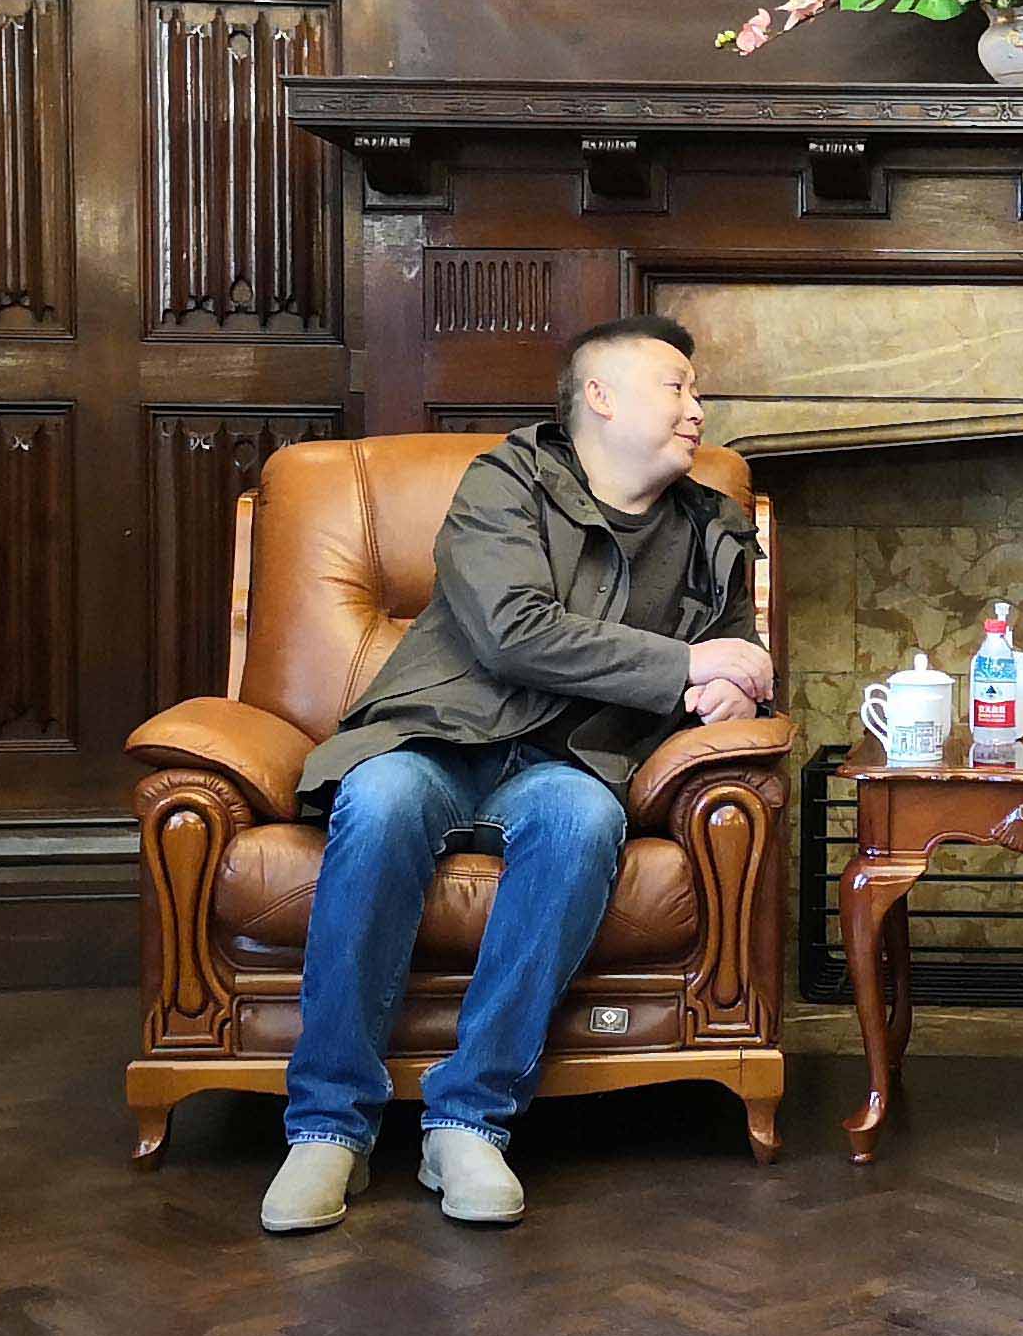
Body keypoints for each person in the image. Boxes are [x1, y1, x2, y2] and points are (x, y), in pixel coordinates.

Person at [260, 315, 771, 1235]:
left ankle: (469, 1119)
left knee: (582, 819)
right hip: (436, 739)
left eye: (696, 391)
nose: (698, 407)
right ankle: (329, 1124)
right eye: (677, 386)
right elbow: (512, 629)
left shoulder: (713, 529)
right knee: (379, 798)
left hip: (570, 763)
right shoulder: (507, 481)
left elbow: (740, 658)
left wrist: (739, 686)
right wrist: (689, 666)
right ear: (600, 396)